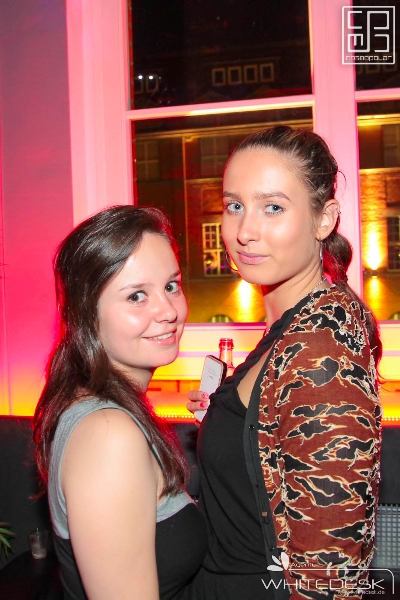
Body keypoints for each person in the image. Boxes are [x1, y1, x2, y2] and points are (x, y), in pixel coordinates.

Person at [186, 126, 382, 600]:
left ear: (323, 219)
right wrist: (230, 423)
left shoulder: (320, 347)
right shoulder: (293, 326)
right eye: (235, 206)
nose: (244, 231)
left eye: (272, 207)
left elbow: (329, 579)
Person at [33, 206, 207, 600]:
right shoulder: (109, 434)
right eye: (136, 296)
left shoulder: (106, 411)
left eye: (171, 286)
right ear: (87, 315)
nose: (168, 311)